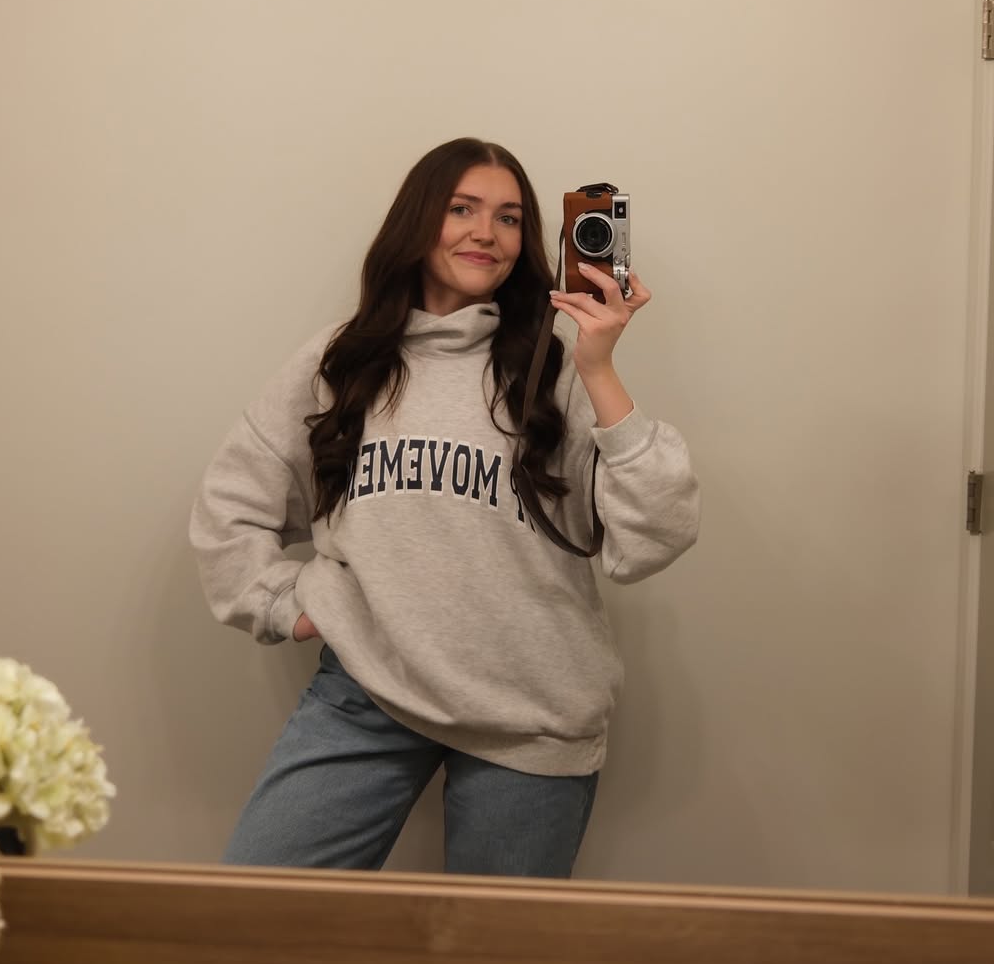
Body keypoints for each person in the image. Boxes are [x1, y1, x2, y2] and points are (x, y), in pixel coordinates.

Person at [190, 137, 699, 878]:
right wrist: (283, 604)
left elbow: (658, 535)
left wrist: (599, 365)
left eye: (509, 218)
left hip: (531, 708)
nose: (485, 233)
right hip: (367, 690)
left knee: (492, 950)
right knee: (258, 911)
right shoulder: (343, 360)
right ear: (418, 219)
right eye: (462, 209)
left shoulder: (555, 367)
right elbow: (232, 501)